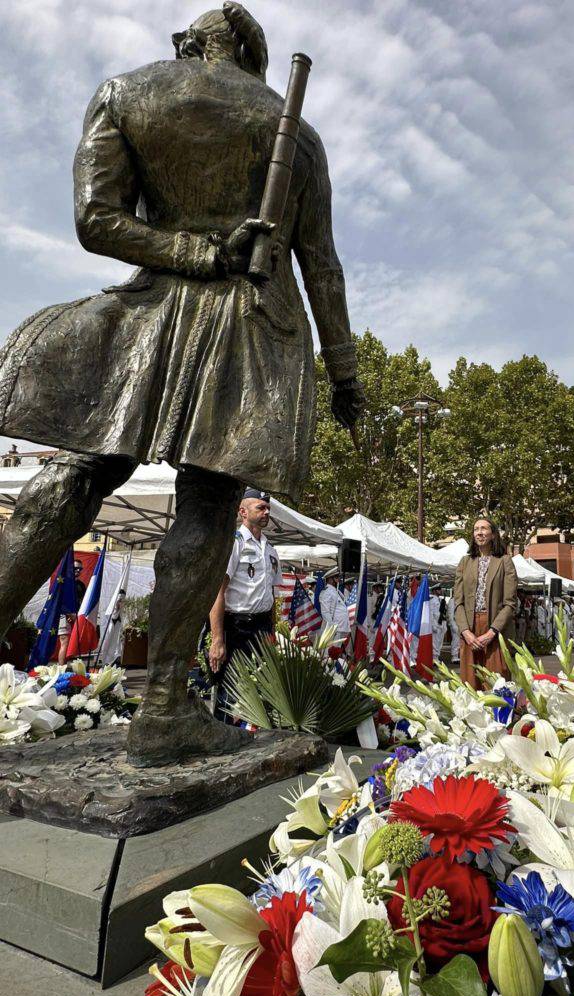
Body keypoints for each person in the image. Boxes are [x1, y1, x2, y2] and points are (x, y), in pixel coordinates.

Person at [0, 4, 364, 766]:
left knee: (75, 475)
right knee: (209, 503)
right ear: (254, 58)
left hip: (151, 312)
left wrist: (187, 251)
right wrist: (344, 371)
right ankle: (163, 706)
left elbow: (96, 220)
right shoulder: (297, 135)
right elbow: (320, 264)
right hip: (249, 329)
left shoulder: (125, 91)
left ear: (189, 44)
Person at [207, 489, 281, 717]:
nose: (266, 512)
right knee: (231, 690)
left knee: (262, 689)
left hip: (262, 627)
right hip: (237, 626)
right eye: (260, 507)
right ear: (242, 512)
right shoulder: (234, 544)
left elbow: (271, 594)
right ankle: (223, 740)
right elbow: (217, 593)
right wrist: (217, 639)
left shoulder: (271, 550)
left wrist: (273, 631)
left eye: (268, 508)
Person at [453, 517, 518, 689]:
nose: (479, 532)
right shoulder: (465, 562)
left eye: (484, 528)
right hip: (469, 629)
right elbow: (457, 602)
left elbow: (510, 603)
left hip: (495, 630)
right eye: (476, 529)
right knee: (470, 684)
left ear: (493, 534)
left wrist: (491, 633)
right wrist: (466, 632)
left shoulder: (505, 561)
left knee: (496, 684)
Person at [57, 558, 87, 665]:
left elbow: (83, 602)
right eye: (76, 568)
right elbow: (59, 600)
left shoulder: (81, 585)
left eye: (80, 569)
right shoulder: (63, 582)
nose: (78, 570)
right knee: (64, 641)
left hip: (77, 616)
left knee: (72, 642)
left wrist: (79, 616)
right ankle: (60, 670)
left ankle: (67, 667)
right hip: (63, 615)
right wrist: (68, 614)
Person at [319, 566, 351, 647]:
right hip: (334, 628)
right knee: (330, 652)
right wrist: (332, 628)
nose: (338, 580)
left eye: (338, 577)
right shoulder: (327, 592)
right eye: (336, 577)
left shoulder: (336, 591)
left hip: (340, 627)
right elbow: (325, 612)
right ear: (329, 579)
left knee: (336, 652)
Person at [447, 593, 461, 663]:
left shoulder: (459, 599)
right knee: (456, 640)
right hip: (455, 623)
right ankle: (454, 656)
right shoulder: (452, 600)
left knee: (459, 641)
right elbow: (450, 614)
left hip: (460, 624)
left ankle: (458, 656)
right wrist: (452, 624)